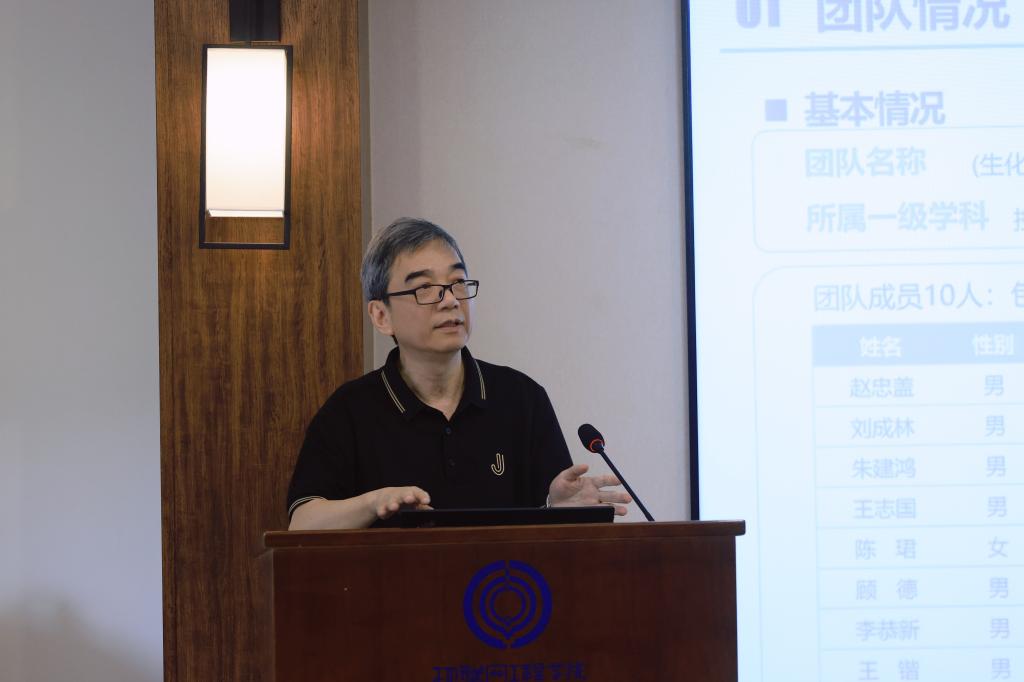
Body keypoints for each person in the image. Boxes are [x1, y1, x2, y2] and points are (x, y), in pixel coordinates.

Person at [287, 217, 631, 530]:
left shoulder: (522, 398)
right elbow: (302, 523)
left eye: (457, 282)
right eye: (424, 288)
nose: (450, 300)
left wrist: (559, 509)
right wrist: (374, 503)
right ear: (381, 316)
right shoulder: (349, 410)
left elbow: (553, 533)